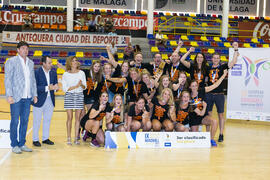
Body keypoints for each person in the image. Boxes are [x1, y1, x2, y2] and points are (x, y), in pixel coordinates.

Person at [4, 41, 37, 154]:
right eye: (23, 48)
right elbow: (7, 79)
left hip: (27, 97)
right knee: (14, 121)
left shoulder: (31, 63)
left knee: (24, 121)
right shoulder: (11, 61)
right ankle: (14, 144)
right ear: (18, 50)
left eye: (26, 49)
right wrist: (9, 95)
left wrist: (35, 94)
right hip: (16, 97)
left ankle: (22, 143)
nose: (25, 50)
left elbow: (32, 80)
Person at [205, 42, 239, 142]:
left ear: (219, 59)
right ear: (211, 59)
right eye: (214, 58)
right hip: (209, 94)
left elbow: (233, 62)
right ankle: (208, 135)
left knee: (220, 115)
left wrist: (236, 50)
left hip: (219, 95)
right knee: (208, 115)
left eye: (217, 58)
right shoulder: (208, 68)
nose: (215, 59)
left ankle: (220, 134)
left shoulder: (222, 67)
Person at [189, 69, 228, 147]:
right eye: (192, 86)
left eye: (196, 85)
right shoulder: (188, 96)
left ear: (198, 86)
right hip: (194, 118)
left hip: (203, 117)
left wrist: (224, 75)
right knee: (194, 140)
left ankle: (211, 139)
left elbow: (215, 85)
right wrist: (205, 106)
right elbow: (200, 113)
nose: (194, 87)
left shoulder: (202, 90)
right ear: (190, 87)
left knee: (214, 121)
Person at [32, 56, 58, 147]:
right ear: (43, 63)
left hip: (50, 100)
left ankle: (45, 138)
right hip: (38, 100)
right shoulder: (36, 72)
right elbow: (34, 87)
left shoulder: (54, 73)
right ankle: (35, 139)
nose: (51, 64)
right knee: (37, 121)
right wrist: (48, 88)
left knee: (47, 120)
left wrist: (55, 88)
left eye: (51, 62)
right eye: (49, 63)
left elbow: (55, 85)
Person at [62, 56, 86, 145]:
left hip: (79, 95)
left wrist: (81, 85)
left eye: (76, 60)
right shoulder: (65, 74)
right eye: (73, 61)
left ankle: (76, 138)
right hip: (69, 96)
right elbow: (65, 89)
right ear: (69, 63)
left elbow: (85, 87)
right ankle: (68, 137)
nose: (75, 62)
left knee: (77, 118)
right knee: (69, 118)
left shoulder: (82, 73)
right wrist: (76, 86)